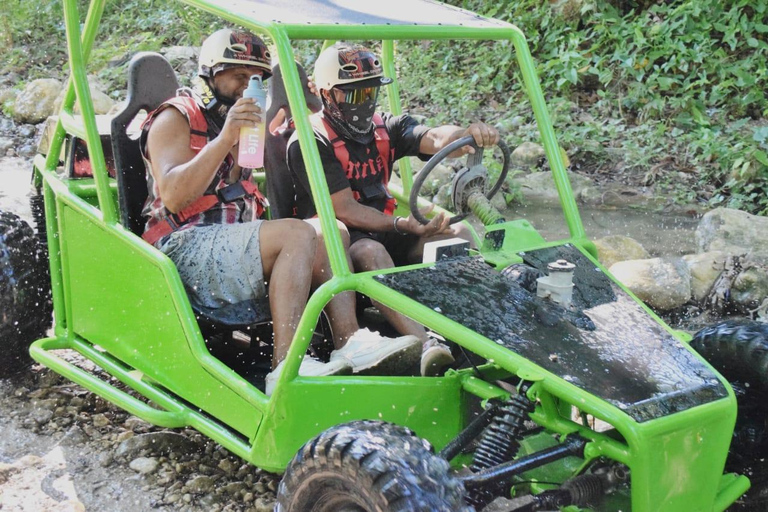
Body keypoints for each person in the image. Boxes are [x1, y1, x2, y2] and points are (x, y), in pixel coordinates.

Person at [140, 29, 421, 395]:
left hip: (233, 242)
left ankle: (350, 340)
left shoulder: (240, 118)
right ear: (211, 73)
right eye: (239, 77)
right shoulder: (175, 117)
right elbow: (174, 197)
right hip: (184, 247)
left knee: (331, 230)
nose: (248, 87)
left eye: (256, 78)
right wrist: (226, 137)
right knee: (296, 233)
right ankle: (287, 367)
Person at [287, 43, 500, 376]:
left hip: (387, 228)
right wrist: (403, 224)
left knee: (457, 232)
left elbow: (432, 137)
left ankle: (478, 326)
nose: (366, 101)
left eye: (371, 91)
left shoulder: (384, 127)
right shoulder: (309, 140)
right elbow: (343, 209)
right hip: (338, 241)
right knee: (371, 252)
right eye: (356, 95)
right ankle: (428, 342)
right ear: (328, 95)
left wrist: (465, 135)